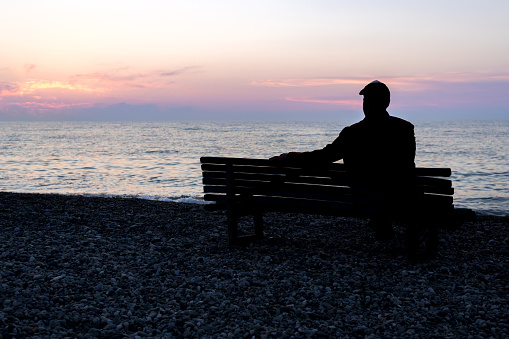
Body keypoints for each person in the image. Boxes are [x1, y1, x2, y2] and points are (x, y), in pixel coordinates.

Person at [270, 80, 416, 240]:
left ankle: (380, 220)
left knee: (364, 182)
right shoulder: (405, 129)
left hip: (364, 195)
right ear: (387, 103)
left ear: (365, 104)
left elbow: (322, 157)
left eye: (365, 100)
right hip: (399, 195)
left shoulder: (353, 133)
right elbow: (408, 164)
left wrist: (289, 157)